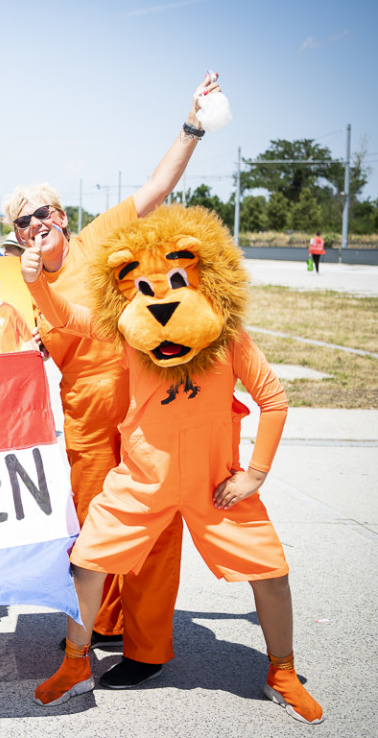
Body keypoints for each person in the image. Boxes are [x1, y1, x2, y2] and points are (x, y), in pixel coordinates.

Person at [22, 205, 323, 725]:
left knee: (272, 573)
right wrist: (37, 285)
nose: (160, 302)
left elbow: (274, 399)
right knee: (88, 563)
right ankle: (75, 665)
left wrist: (255, 473)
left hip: (215, 484)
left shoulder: (227, 338)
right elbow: (69, 318)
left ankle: (282, 671)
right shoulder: (129, 336)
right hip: (142, 482)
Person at [2, 73, 221, 688]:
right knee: (95, 532)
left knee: (152, 532)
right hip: (84, 425)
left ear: (62, 216)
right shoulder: (17, 278)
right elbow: (13, 350)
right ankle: (105, 622)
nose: (33, 227)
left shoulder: (100, 239)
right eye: (21, 223)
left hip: (145, 411)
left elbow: (157, 186)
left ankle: (149, 647)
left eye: (41, 215)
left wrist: (193, 124)